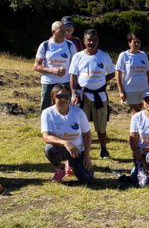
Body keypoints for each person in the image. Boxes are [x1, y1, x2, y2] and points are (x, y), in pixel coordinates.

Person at [68, 29, 115, 159]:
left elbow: (112, 73)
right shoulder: (78, 56)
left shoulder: (104, 56)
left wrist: (101, 82)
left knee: (101, 125)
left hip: (100, 96)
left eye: (94, 40)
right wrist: (74, 93)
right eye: (89, 40)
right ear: (84, 41)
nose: (91, 43)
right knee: (79, 124)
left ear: (98, 41)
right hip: (82, 95)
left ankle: (103, 150)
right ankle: (81, 151)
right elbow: (73, 76)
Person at [41, 84, 94, 184]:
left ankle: (71, 164)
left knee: (87, 179)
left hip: (78, 151)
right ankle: (60, 168)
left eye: (67, 97)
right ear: (53, 98)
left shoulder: (78, 112)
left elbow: (87, 134)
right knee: (49, 148)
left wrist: (87, 157)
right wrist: (66, 143)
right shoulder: (47, 113)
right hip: (61, 149)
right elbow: (46, 137)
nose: (63, 99)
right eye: (59, 96)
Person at [34, 21, 76, 112]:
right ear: (53, 32)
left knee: (65, 109)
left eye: (65, 30)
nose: (64, 33)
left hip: (65, 82)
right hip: (49, 83)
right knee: (46, 110)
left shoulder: (70, 45)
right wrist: (52, 71)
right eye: (61, 31)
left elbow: (75, 65)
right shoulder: (45, 45)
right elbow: (36, 66)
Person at [116, 33, 149, 114]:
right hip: (130, 90)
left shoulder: (143, 55)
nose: (136, 44)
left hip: (143, 89)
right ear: (129, 43)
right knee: (137, 112)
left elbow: (147, 71)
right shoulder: (124, 55)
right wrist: (121, 91)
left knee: (138, 114)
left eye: (138, 42)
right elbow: (118, 73)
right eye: (134, 42)